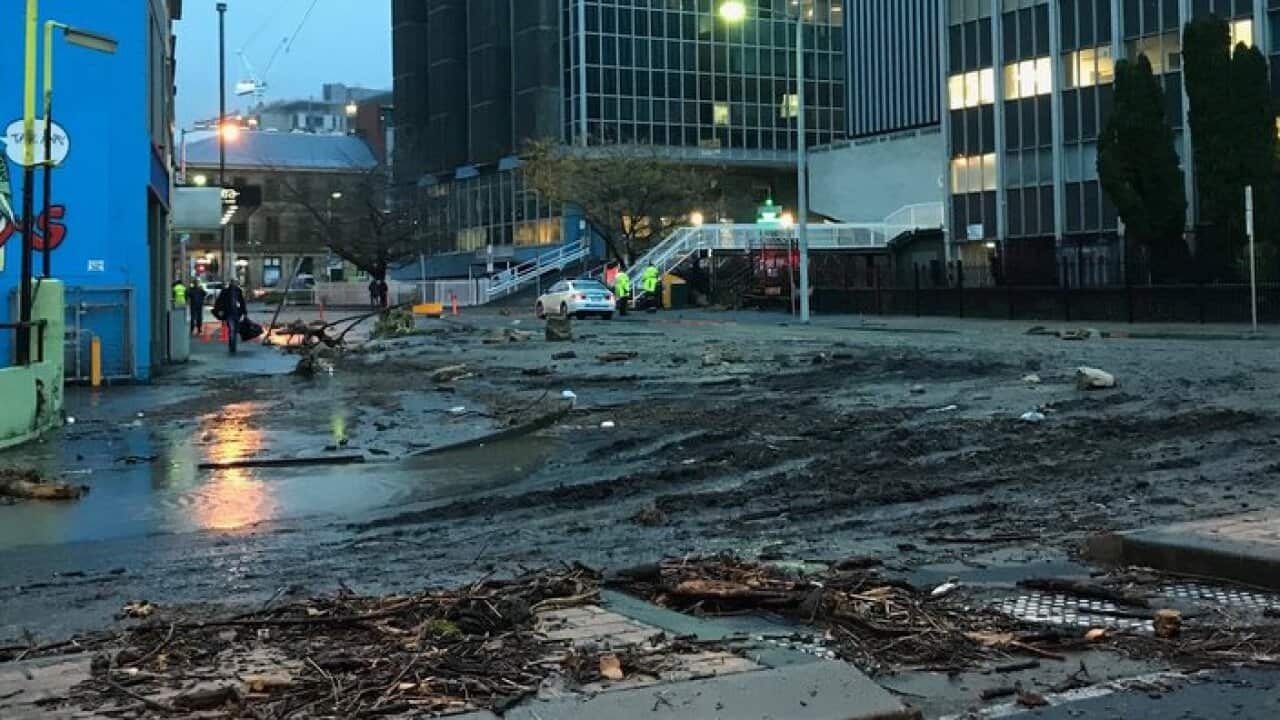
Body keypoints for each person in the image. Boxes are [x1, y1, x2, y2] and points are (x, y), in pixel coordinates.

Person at [212, 279, 248, 354]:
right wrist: (219, 310)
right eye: (233, 283)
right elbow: (220, 301)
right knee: (232, 329)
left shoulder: (238, 291)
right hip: (229, 313)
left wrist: (244, 312)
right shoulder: (226, 291)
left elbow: (242, 302)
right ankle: (232, 346)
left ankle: (233, 344)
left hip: (236, 313)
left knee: (234, 330)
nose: (234, 284)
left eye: (235, 283)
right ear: (231, 283)